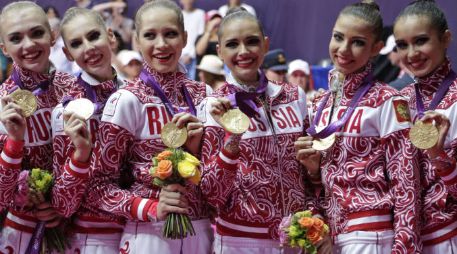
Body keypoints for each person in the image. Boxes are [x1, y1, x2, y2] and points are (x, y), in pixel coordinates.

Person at [295, 1, 421, 253]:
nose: (344, 49)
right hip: (331, 237)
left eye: (358, 42)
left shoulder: (389, 101)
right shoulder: (319, 103)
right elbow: (320, 184)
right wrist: (313, 171)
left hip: (372, 238)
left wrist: (405, 248)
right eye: (338, 37)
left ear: (376, 48)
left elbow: (407, 184)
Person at [87, 1, 213, 253]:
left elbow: (217, 179)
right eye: (150, 35)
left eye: (170, 34)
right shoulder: (126, 99)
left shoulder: (204, 95)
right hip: (148, 234)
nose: (162, 44)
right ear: (137, 41)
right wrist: (150, 207)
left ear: (185, 37)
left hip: (201, 231)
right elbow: (97, 187)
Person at [200, 9, 322, 254]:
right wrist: (232, 137)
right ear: (219, 52)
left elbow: (310, 176)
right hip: (240, 241)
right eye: (232, 44)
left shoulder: (293, 96)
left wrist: (314, 172)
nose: (243, 51)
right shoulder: (212, 106)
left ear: (265, 45)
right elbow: (211, 194)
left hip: (295, 237)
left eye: (252, 41)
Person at [50, 7, 126, 253]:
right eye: (76, 43)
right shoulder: (65, 112)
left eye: (93, 36)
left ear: (110, 36)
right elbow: (62, 204)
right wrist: (81, 156)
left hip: (144, 231)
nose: (88, 47)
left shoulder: (140, 95)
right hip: (91, 239)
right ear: (67, 54)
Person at [0, 2, 74, 252]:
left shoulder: (77, 90)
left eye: (37, 33)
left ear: (52, 36)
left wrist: (63, 203)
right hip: (19, 232)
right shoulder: (2, 103)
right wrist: (14, 141)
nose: (29, 44)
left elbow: (103, 167)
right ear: (4, 48)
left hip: (74, 226)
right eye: (16, 38)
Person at [394, 1, 457, 253]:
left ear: (445, 39)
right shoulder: (398, 101)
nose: (411, 54)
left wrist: (437, 155)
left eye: (421, 41)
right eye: (402, 45)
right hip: (408, 241)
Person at [180, 0, 205, 80]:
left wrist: (191, 54)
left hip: (194, 57)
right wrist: (180, 54)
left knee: (192, 83)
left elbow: (200, 35)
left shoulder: (200, 13)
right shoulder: (179, 14)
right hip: (180, 56)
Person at [195, 9, 222, 79]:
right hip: (202, 77)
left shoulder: (223, 39)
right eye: (212, 21)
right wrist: (209, 31)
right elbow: (199, 51)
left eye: (219, 24)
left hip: (218, 76)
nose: (216, 26)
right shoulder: (200, 37)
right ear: (207, 23)